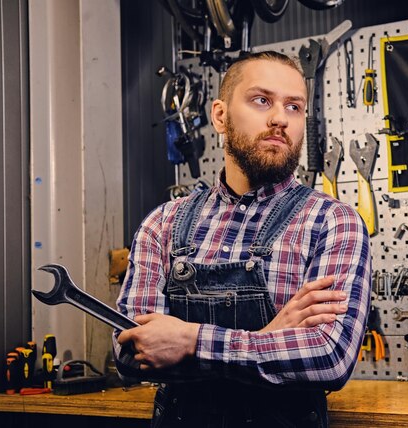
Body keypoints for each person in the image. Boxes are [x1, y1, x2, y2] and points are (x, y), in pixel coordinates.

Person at [114, 50, 372, 428]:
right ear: (220, 115)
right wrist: (268, 339)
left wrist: (188, 341)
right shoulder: (163, 223)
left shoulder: (333, 222)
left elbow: (329, 357)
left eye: (294, 107)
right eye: (261, 100)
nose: (279, 118)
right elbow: (131, 354)